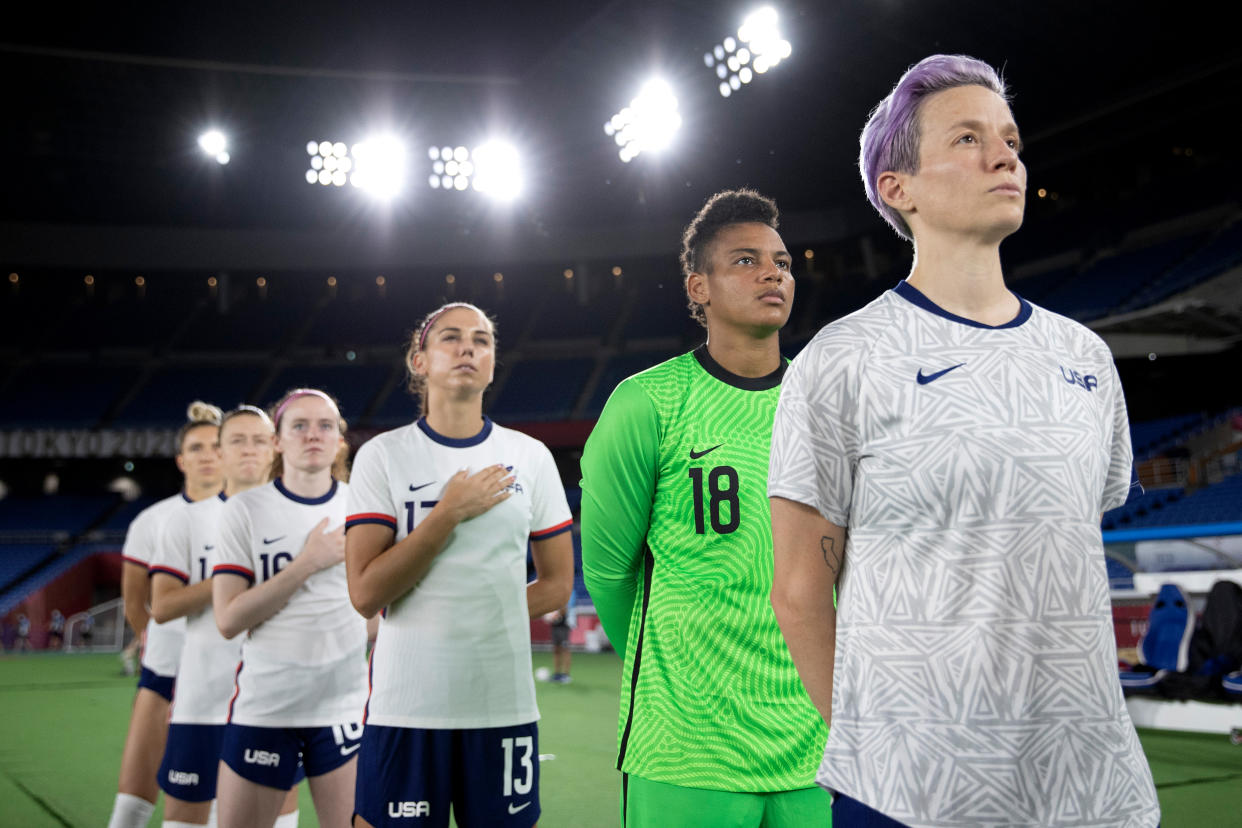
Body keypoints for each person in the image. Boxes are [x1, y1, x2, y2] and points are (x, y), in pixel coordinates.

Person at [767, 54, 1160, 827]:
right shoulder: (844, 358)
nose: (1005, 154)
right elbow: (799, 589)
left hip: (1095, 792)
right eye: (969, 139)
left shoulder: (1084, 356)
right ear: (898, 188)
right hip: (914, 795)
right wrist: (871, 747)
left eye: (1010, 138)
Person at [579, 189, 830, 827]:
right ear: (700, 287)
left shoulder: (825, 407)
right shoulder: (646, 403)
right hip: (686, 749)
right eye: (746, 261)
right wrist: (674, 675)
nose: (774, 272)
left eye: (782, 261)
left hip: (816, 745)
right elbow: (609, 573)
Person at [345, 302, 574, 828]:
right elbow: (364, 593)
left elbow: (559, 584)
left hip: (503, 705)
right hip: (406, 708)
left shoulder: (530, 456)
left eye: (482, 339)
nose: (468, 347)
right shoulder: (383, 455)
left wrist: (485, 613)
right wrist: (447, 513)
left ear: (492, 363)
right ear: (419, 360)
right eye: (451, 337)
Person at [211, 388, 366, 828]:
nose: (312, 435)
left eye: (325, 426)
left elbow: (373, 614)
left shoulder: (364, 506)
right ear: (277, 440)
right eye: (298, 425)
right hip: (267, 707)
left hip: (345, 710)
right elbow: (228, 619)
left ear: (340, 440)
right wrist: (308, 563)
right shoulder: (245, 510)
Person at [149, 405, 301, 828]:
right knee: (184, 821)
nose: (250, 449)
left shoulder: (303, 516)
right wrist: (232, 578)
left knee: (277, 820)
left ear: (275, 446)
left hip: (275, 703)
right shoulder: (187, 519)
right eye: (237, 440)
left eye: (259, 439)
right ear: (221, 450)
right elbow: (161, 607)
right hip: (202, 701)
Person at [108, 401, 223, 828]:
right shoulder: (152, 521)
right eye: (196, 448)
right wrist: (156, 645)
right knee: (132, 803)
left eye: (215, 445)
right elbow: (137, 602)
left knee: (221, 800)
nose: (207, 455)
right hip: (165, 671)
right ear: (181, 459)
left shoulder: (250, 512)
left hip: (231, 675)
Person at [544, 592, 576, 684]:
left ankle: (566, 675)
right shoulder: (551, 602)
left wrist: (556, 615)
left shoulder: (562, 599)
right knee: (556, 651)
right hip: (554, 628)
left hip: (563, 628)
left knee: (565, 650)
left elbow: (564, 610)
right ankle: (557, 673)